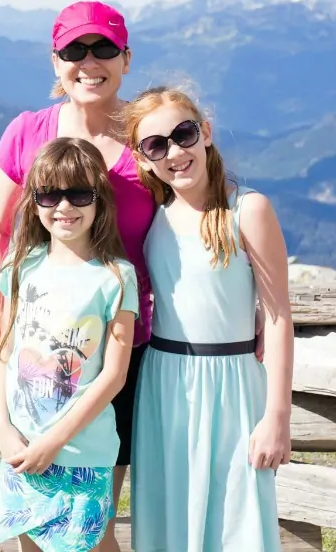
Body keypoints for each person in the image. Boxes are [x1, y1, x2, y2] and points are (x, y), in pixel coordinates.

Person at [0, 0, 156, 546]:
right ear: (55, 61)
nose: (89, 62)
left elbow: (197, 209)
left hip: (115, 338)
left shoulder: (151, 138)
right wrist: (1, 312)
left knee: (92, 527)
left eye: (104, 48)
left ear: (126, 58)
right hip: (28, 333)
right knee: (32, 517)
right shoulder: (27, 132)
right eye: (74, 50)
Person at [124, 85, 294, 552]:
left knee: (238, 521)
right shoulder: (153, 216)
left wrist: (277, 416)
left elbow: (278, 317)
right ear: (142, 157)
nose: (175, 152)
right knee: (168, 519)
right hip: (164, 385)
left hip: (235, 386)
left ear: (207, 133)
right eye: (156, 145)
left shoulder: (248, 210)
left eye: (184, 134)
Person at [0, 137, 138, 552]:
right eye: (50, 194)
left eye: (79, 194)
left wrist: (54, 441)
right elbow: (4, 350)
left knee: (92, 543)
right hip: (21, 442)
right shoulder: (21, 265)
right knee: (29, 544)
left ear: (99, 200)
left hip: (82, 449)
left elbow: (113, 374)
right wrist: (2, 425)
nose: (64, 207)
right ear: (34, 201)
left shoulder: (116, 277)